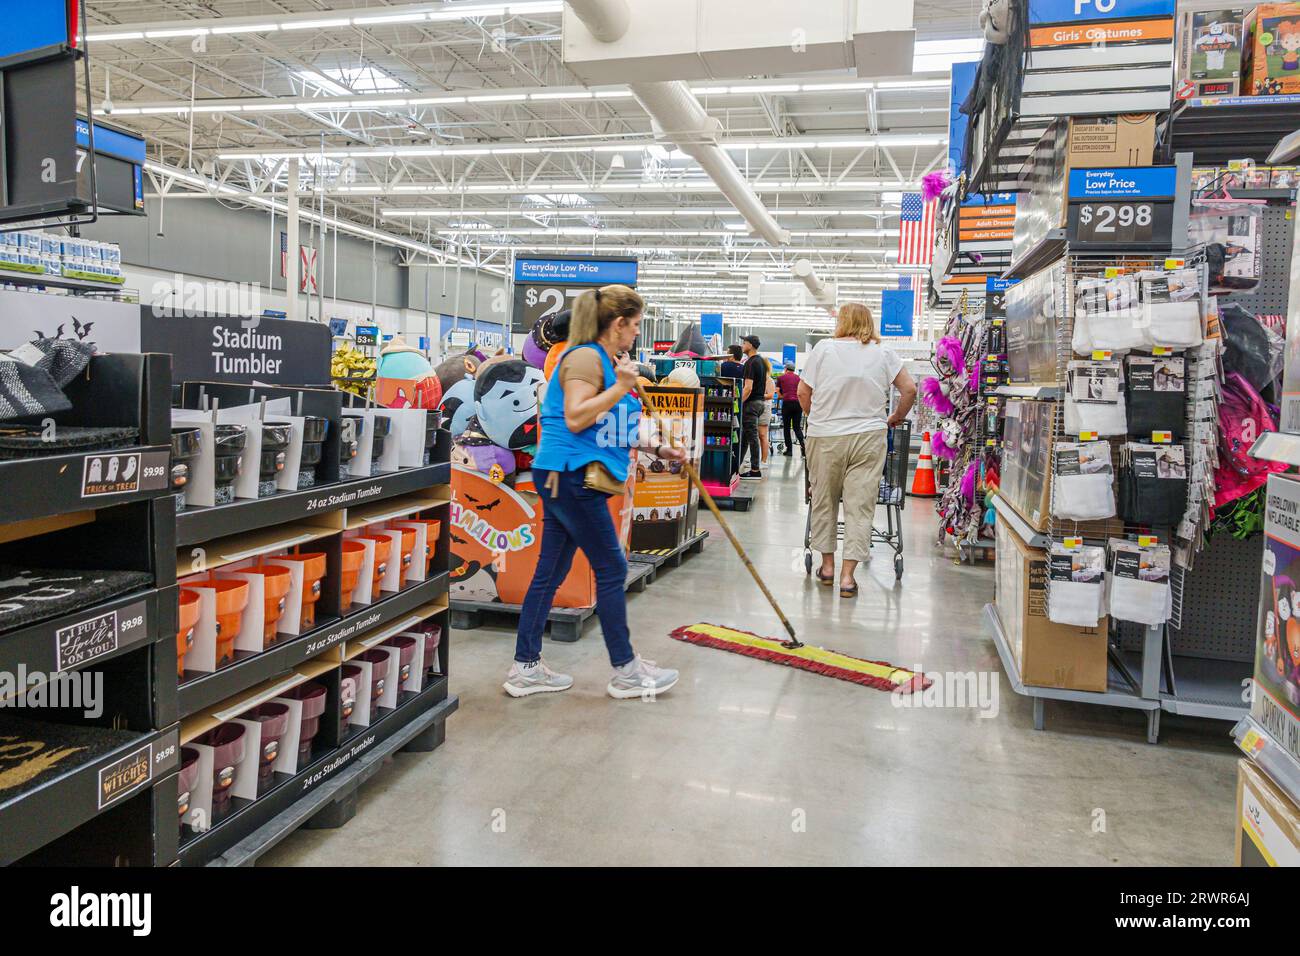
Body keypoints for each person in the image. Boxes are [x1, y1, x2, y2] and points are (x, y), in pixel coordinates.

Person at [505, 284, 684, 699]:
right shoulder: (585, 356)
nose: (637, 333)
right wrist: (621, 386)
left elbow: (608, 425)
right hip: (572, 477)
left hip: (568, 476)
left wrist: (658, 448)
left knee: (550, 572)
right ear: (617, 323)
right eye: (635, 325)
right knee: (611, 568)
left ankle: (525, 667)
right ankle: (625, 670)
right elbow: (576, 415)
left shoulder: (604, 359)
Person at [799, 303, 917, 598]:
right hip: (869, 437)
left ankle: (826, 567)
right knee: (860, 506)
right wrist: (896, 418)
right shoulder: (884, 352)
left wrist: (818, 417)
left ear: (843, 321)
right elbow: (910, 390)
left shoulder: (824, 349)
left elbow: (803, 392)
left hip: (825, 437)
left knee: (823, 500)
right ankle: (847, 577)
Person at [739, 334, 766, 480]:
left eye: (744, 343)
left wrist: (737, 402)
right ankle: (737, 466)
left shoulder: (750, 362)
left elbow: (748, 388)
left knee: (752, 437)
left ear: (750, 345)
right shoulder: (760, 361)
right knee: (745, 437)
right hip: (759, 402)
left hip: (752, 403)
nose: (742, 345)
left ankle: (755, 470)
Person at [777, 360, 805, 456]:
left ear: (786, 369)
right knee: (797, 427)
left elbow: (778, 392)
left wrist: (782, 396)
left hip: (787, 403)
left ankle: (789, 450)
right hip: (798, 404)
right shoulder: (799, 378)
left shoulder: (781, 378)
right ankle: (803, 447)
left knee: (787, 427)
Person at [757, 354, 776, 467]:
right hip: (757, 407)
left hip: (764, 408)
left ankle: (764, 461)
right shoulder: (758, 378)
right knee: (756, 434)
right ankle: (755, 458)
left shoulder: (769, 380)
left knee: (763, 435)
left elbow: (770, 395)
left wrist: (757, 395)